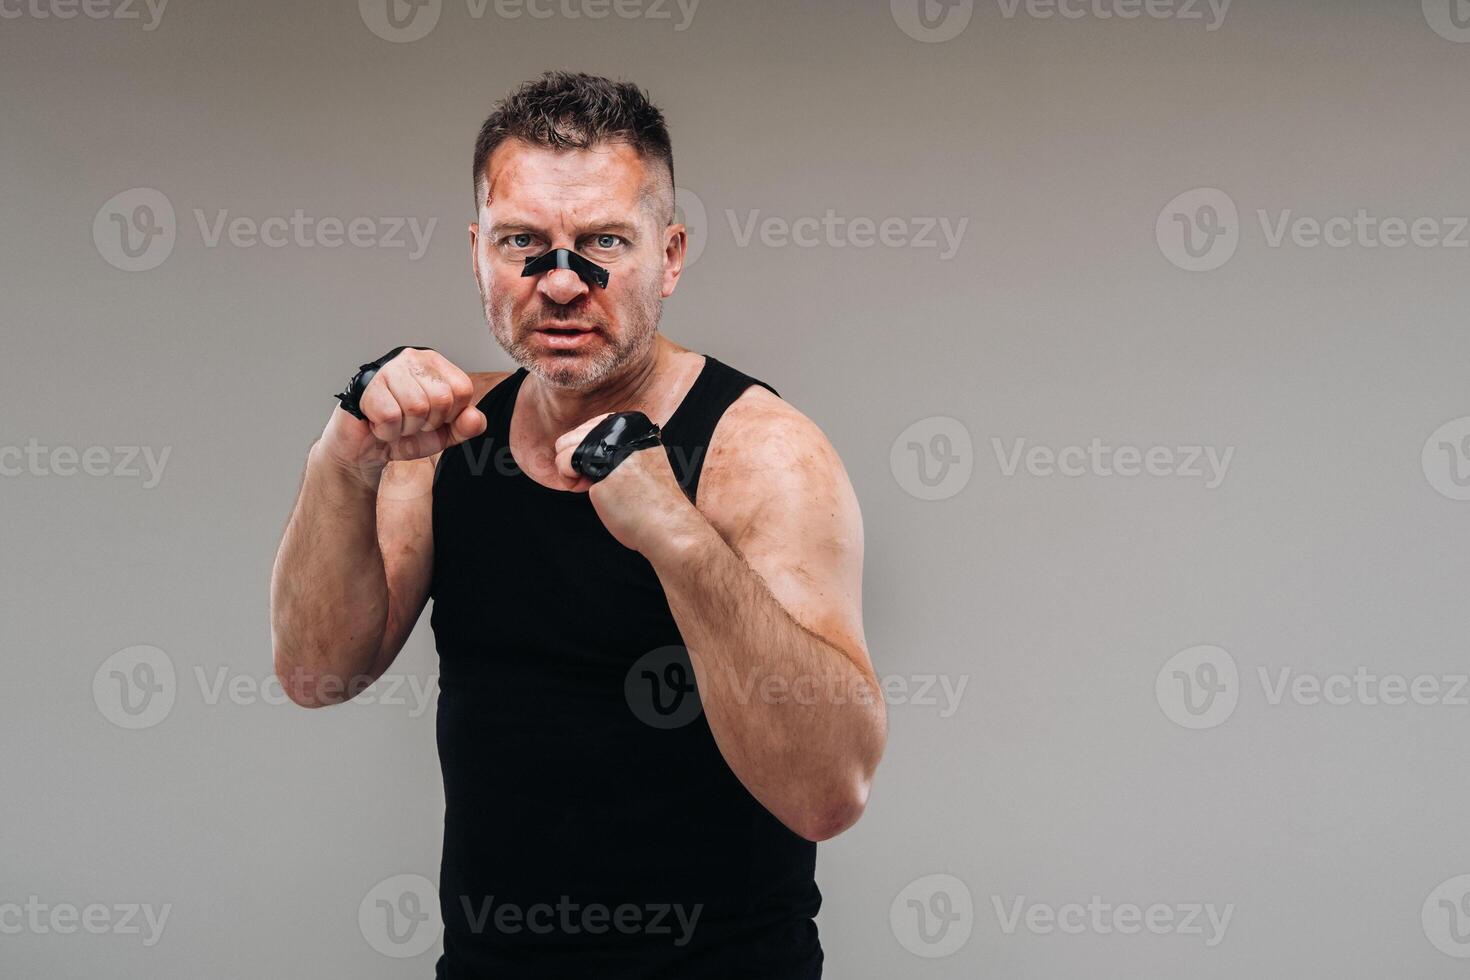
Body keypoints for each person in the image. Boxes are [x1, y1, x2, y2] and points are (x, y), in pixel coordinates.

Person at [269, 70, 887, 979]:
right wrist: (343, 457)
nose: (561, 283)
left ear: (670, 256)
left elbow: (830, 792)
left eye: (603, 242)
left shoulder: (761, 453)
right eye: (525, 242)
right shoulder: (448, 436)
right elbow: (316, 674)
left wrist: (673, 533)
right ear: (478, 252)